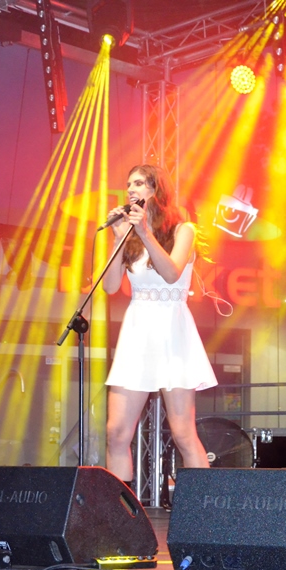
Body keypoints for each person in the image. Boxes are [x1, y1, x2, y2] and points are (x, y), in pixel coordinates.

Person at [103, 165, 215, 485]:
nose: (130, 189)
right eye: (128, 183)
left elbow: (171, 273)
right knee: (116, 432)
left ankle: (202, 507)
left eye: (139, 183)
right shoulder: (129, 235)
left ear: (156, 190)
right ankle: (122, 512)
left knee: (183, 433)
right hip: (137, 331)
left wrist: (144, 233)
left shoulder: (183, 230)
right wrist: (118, 239)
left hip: (172, 330)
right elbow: (110, 286)